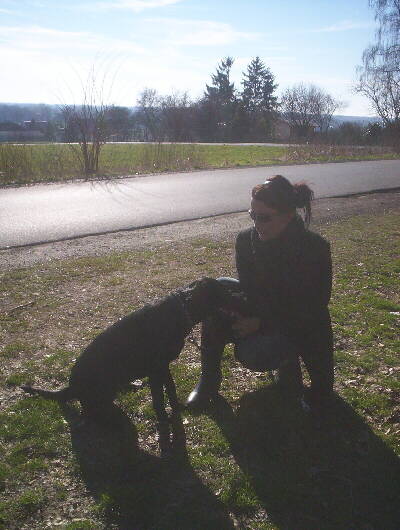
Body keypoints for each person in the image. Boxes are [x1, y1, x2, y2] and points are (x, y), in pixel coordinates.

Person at [186, 175, 334, 420]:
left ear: (288, 215)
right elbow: (251, 291)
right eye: (252, 215)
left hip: (301, 324)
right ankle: (208, 380)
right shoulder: (246, 241)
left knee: (252, 353)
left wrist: (261, 322)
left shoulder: (314, 248)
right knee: (218, 289)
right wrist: (242, 311)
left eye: (265, 217)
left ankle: (290, 363)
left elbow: (313, 307)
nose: (257, 223)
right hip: (266, 309)